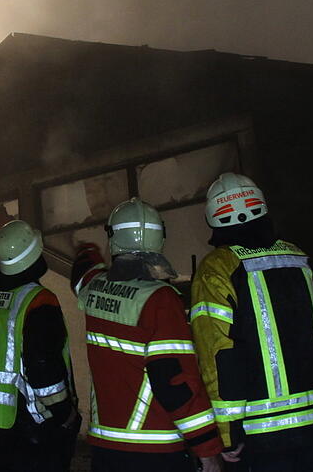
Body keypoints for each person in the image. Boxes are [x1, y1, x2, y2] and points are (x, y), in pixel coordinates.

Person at [190, 173, 313, 471]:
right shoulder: (300, 259)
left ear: (212, 217)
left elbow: (218, 356)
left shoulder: (217, 267)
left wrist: (227, 434)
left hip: (259, 436)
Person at [72, 198, 224, 472]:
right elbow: (175, 382)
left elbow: (83, 273)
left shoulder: (94, 289)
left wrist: (87, 250)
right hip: (155, 450)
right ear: (159, 237)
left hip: (105, 449)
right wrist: (208, 449)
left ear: (113, 236)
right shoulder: (160, 300)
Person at [0, 220, 81, 472]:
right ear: (36, 254)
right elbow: (45, 373)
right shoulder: (39, 301)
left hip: (0, 427)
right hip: (39, 429)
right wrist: (65, 415)